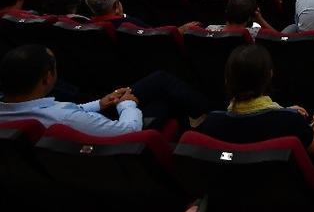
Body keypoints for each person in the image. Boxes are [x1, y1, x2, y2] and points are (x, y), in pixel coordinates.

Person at [0, 45, 210, 137]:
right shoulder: (64, 119)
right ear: (47, 77)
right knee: (164, 98)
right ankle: (207, 117)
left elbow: (66, 111)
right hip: (119, 140)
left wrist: (99, 104)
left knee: (159, 80)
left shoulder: (11, 108)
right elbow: (127, 131)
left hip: (90, 120)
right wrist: (127, 104)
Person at [195, 45, 314, 153]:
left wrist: (283, 111)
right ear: (270, 75)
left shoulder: (212, 123)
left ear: (227, 80)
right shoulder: (290, 122)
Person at [206, 0, 275, 39]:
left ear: (226, 12)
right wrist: (260, 19)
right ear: (250, 18)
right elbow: (277, 38)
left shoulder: (210, 30)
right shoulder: (254, 34)